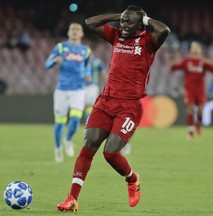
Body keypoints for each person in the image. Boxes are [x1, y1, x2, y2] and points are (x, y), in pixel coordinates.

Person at [57, 5, 170, 212]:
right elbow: (91, 22)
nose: (123, 25)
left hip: (129, 106)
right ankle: (72, 198)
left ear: (140, 24)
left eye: (129, 22)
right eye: (123, 21)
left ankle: (133, 180)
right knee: (89, 145)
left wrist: (144, 19)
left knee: (110, 154)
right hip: (106, 100)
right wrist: (122, 15)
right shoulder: (117, 36)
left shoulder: (148, 42)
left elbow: (164, 30)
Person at [45, 23, 91, 163]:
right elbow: (47, 64)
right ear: (68, 32)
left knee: (76, 119)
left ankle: (68, 140)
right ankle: (58, 148)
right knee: (59, 123)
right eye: (73, 29)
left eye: (78, 29)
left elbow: (87, 66)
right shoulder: (60, 47)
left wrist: (88, 74)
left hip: (78, 89)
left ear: (82, 34)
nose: (75, 31)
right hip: (62, 90)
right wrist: (54, 61)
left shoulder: (85, 50)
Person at [171, 41, 213, 140]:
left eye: (197, 47)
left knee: (201, 112)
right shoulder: (186, 61)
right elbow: (174, 68)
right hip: (189, 91)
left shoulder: (203, 62)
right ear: (191, 50)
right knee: (190, 108)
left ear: (200, 50)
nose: (195, 49)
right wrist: (174, 63)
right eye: (193, 47)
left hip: (200, 91)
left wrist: (211, 64)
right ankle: (190, 131)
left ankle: (197, 123)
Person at [83, 50, 106, 121]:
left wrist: (107, 83)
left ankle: (89, 121)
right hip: (82, 86)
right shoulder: (82, 62)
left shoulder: (97, 62)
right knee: (84, 105)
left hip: (92, 86)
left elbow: (103, 74)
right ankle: (89, 120)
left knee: (90, 104)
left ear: (92, 53)